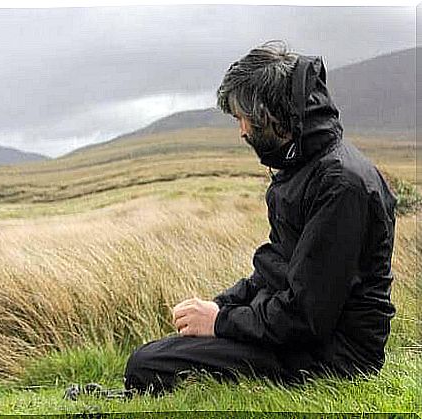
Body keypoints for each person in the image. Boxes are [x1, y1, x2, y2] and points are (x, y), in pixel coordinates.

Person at [122, 40, 398, 396]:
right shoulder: (302, 167)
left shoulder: (339, 184)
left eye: (243, 118)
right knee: (156, 357)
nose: (242, 132)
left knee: (149, 364)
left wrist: (220, 322)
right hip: (307, 339)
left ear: (269, 114)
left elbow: (307, 316)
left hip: (337, 357)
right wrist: (223, 304)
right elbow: (278, 267)